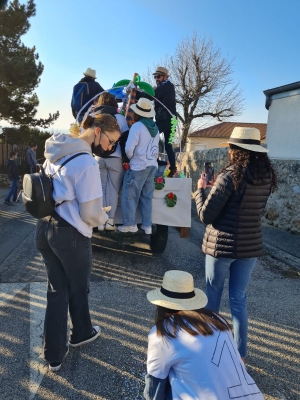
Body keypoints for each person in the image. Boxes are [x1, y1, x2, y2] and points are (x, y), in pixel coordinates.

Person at [35, 113, 121, 372]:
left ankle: (54, 355)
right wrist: (104, 214)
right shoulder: (87, 162)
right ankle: (81, 333)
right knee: (78, 287)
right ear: (97, 131)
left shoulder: (58, 147)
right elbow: (90, 214)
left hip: (44, 228)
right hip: (71, 234)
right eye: (110, 141)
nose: (110, 148)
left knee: (56, 290)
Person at [195, 127, 277, 362]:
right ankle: (240, 355)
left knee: (213, 297)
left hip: (222, 245)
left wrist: (201, 191)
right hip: (249, 247)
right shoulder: (265, 177)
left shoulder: (230, 175)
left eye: (231, 148)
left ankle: (209, 350)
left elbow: (206, 215)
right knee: (238, 299)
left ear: (236, 150)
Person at [144, 270, 264, 400]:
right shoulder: (218, 320)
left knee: (169, 375)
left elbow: (154, 385)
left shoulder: (165, 331)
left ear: (161, 304)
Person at [118, 98, 159, 234]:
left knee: (130, 195)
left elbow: (129, 148)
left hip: (138, 166)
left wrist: (129, 159)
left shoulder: (137, 126)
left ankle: (130, 224)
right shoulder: (155, 128)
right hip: (152, 165)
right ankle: (147, 225)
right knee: (147, 197)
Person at [92, 92, 129, 231]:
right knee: (113, 189)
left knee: (101, 189)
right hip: (116, 157)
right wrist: (126, 157)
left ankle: (100, 222)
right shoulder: (119, 118)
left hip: (98, 157)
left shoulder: (94, 116)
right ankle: (110, 221)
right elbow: (125, 139)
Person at [137, 67, 177, 177]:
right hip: (172, 120)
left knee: (150, 137)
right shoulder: (168, 86)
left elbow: (150, 95)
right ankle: (173, 168)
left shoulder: (165, 86)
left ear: (165, 77)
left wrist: (136, 93)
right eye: (155, 77)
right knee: (168, 146)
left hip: (164, 119)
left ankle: (155, 160)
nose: (156, 79)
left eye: (158, 76)